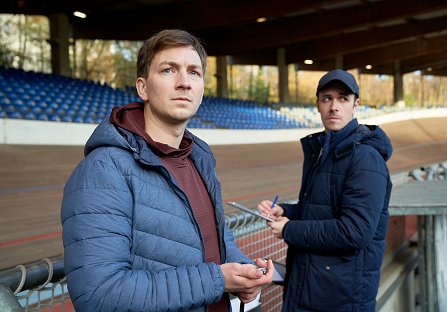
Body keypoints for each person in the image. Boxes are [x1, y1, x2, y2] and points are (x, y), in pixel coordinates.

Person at [61, 29, 273, 312]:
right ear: (143, 88)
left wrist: (243, 271)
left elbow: (215, 240)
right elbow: (99, 295)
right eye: (168, 70)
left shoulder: (199, 158)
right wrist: (218, 280)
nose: (184, 82)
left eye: (194, 72)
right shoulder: (103, 170)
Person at [257, 69, 393, 311]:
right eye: (327, 98)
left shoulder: (365, 158)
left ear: (356, 105)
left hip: (340, 298)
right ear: (318, 105)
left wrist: (289, 229)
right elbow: (323, 211)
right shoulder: (322, 152)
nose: (334, 107)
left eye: (343, 98)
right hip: (315, 287)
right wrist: (285, 211)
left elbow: (355, 231)